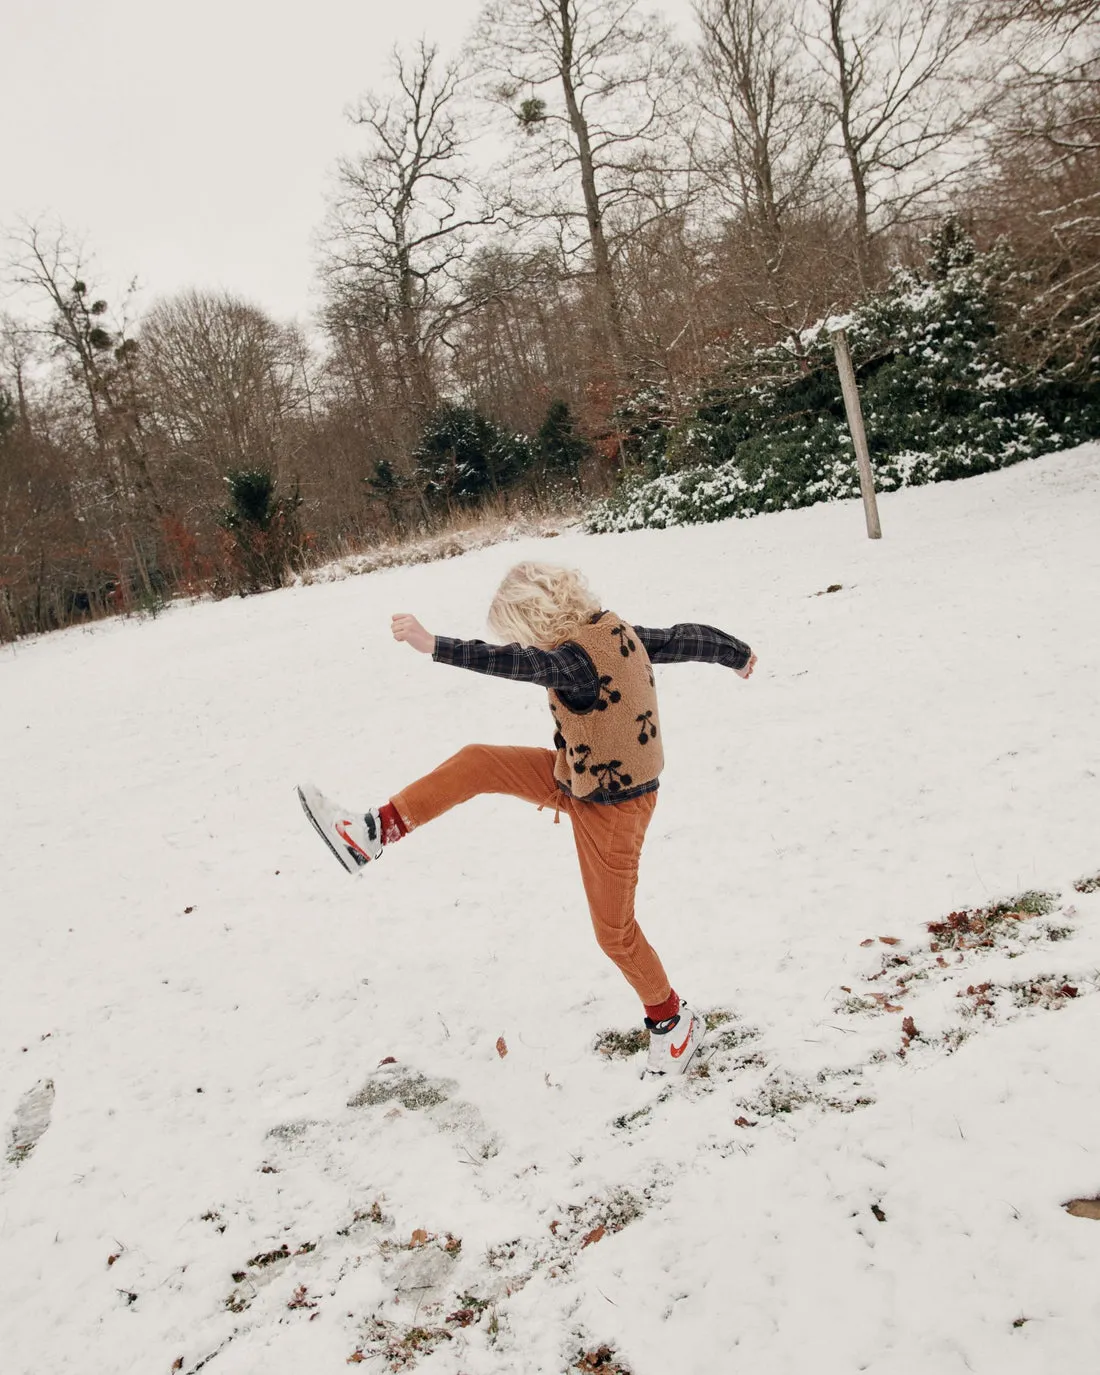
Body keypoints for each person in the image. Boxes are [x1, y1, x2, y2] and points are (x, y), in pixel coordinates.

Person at [298, 562, 756, 1079]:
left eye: (519, 631)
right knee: (478, 761)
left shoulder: (573, 662)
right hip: (582, 777)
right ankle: (372, 832)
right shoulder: (614, 632)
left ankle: (673, 1024)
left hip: (613, 809)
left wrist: (435, 645)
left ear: (533, 620)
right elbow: (682, 638)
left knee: (615, 934)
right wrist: (736, 654)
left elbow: (513, 663)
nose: (523, 643)